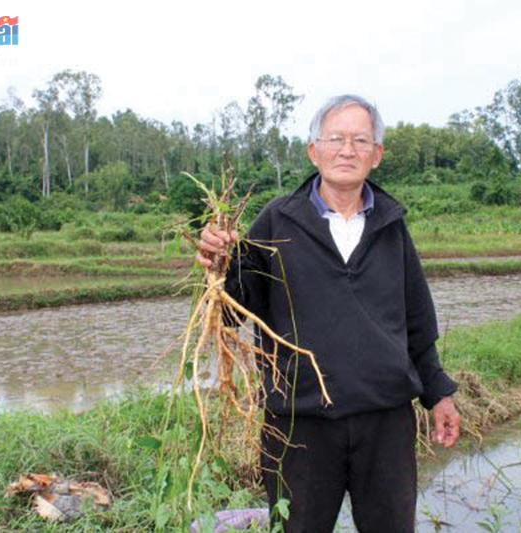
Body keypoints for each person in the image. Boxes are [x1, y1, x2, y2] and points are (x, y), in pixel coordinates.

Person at [196, 94, 460, 532]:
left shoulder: (391, 225)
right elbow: (233, 312)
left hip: (385, 422)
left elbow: (416, 323)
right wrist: (217, 266)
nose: (347, 150)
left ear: (377, 155)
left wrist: (439, 394)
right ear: (313, 150)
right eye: (335, 138)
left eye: (361, 140)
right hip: (299, 425)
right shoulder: (277, 222)